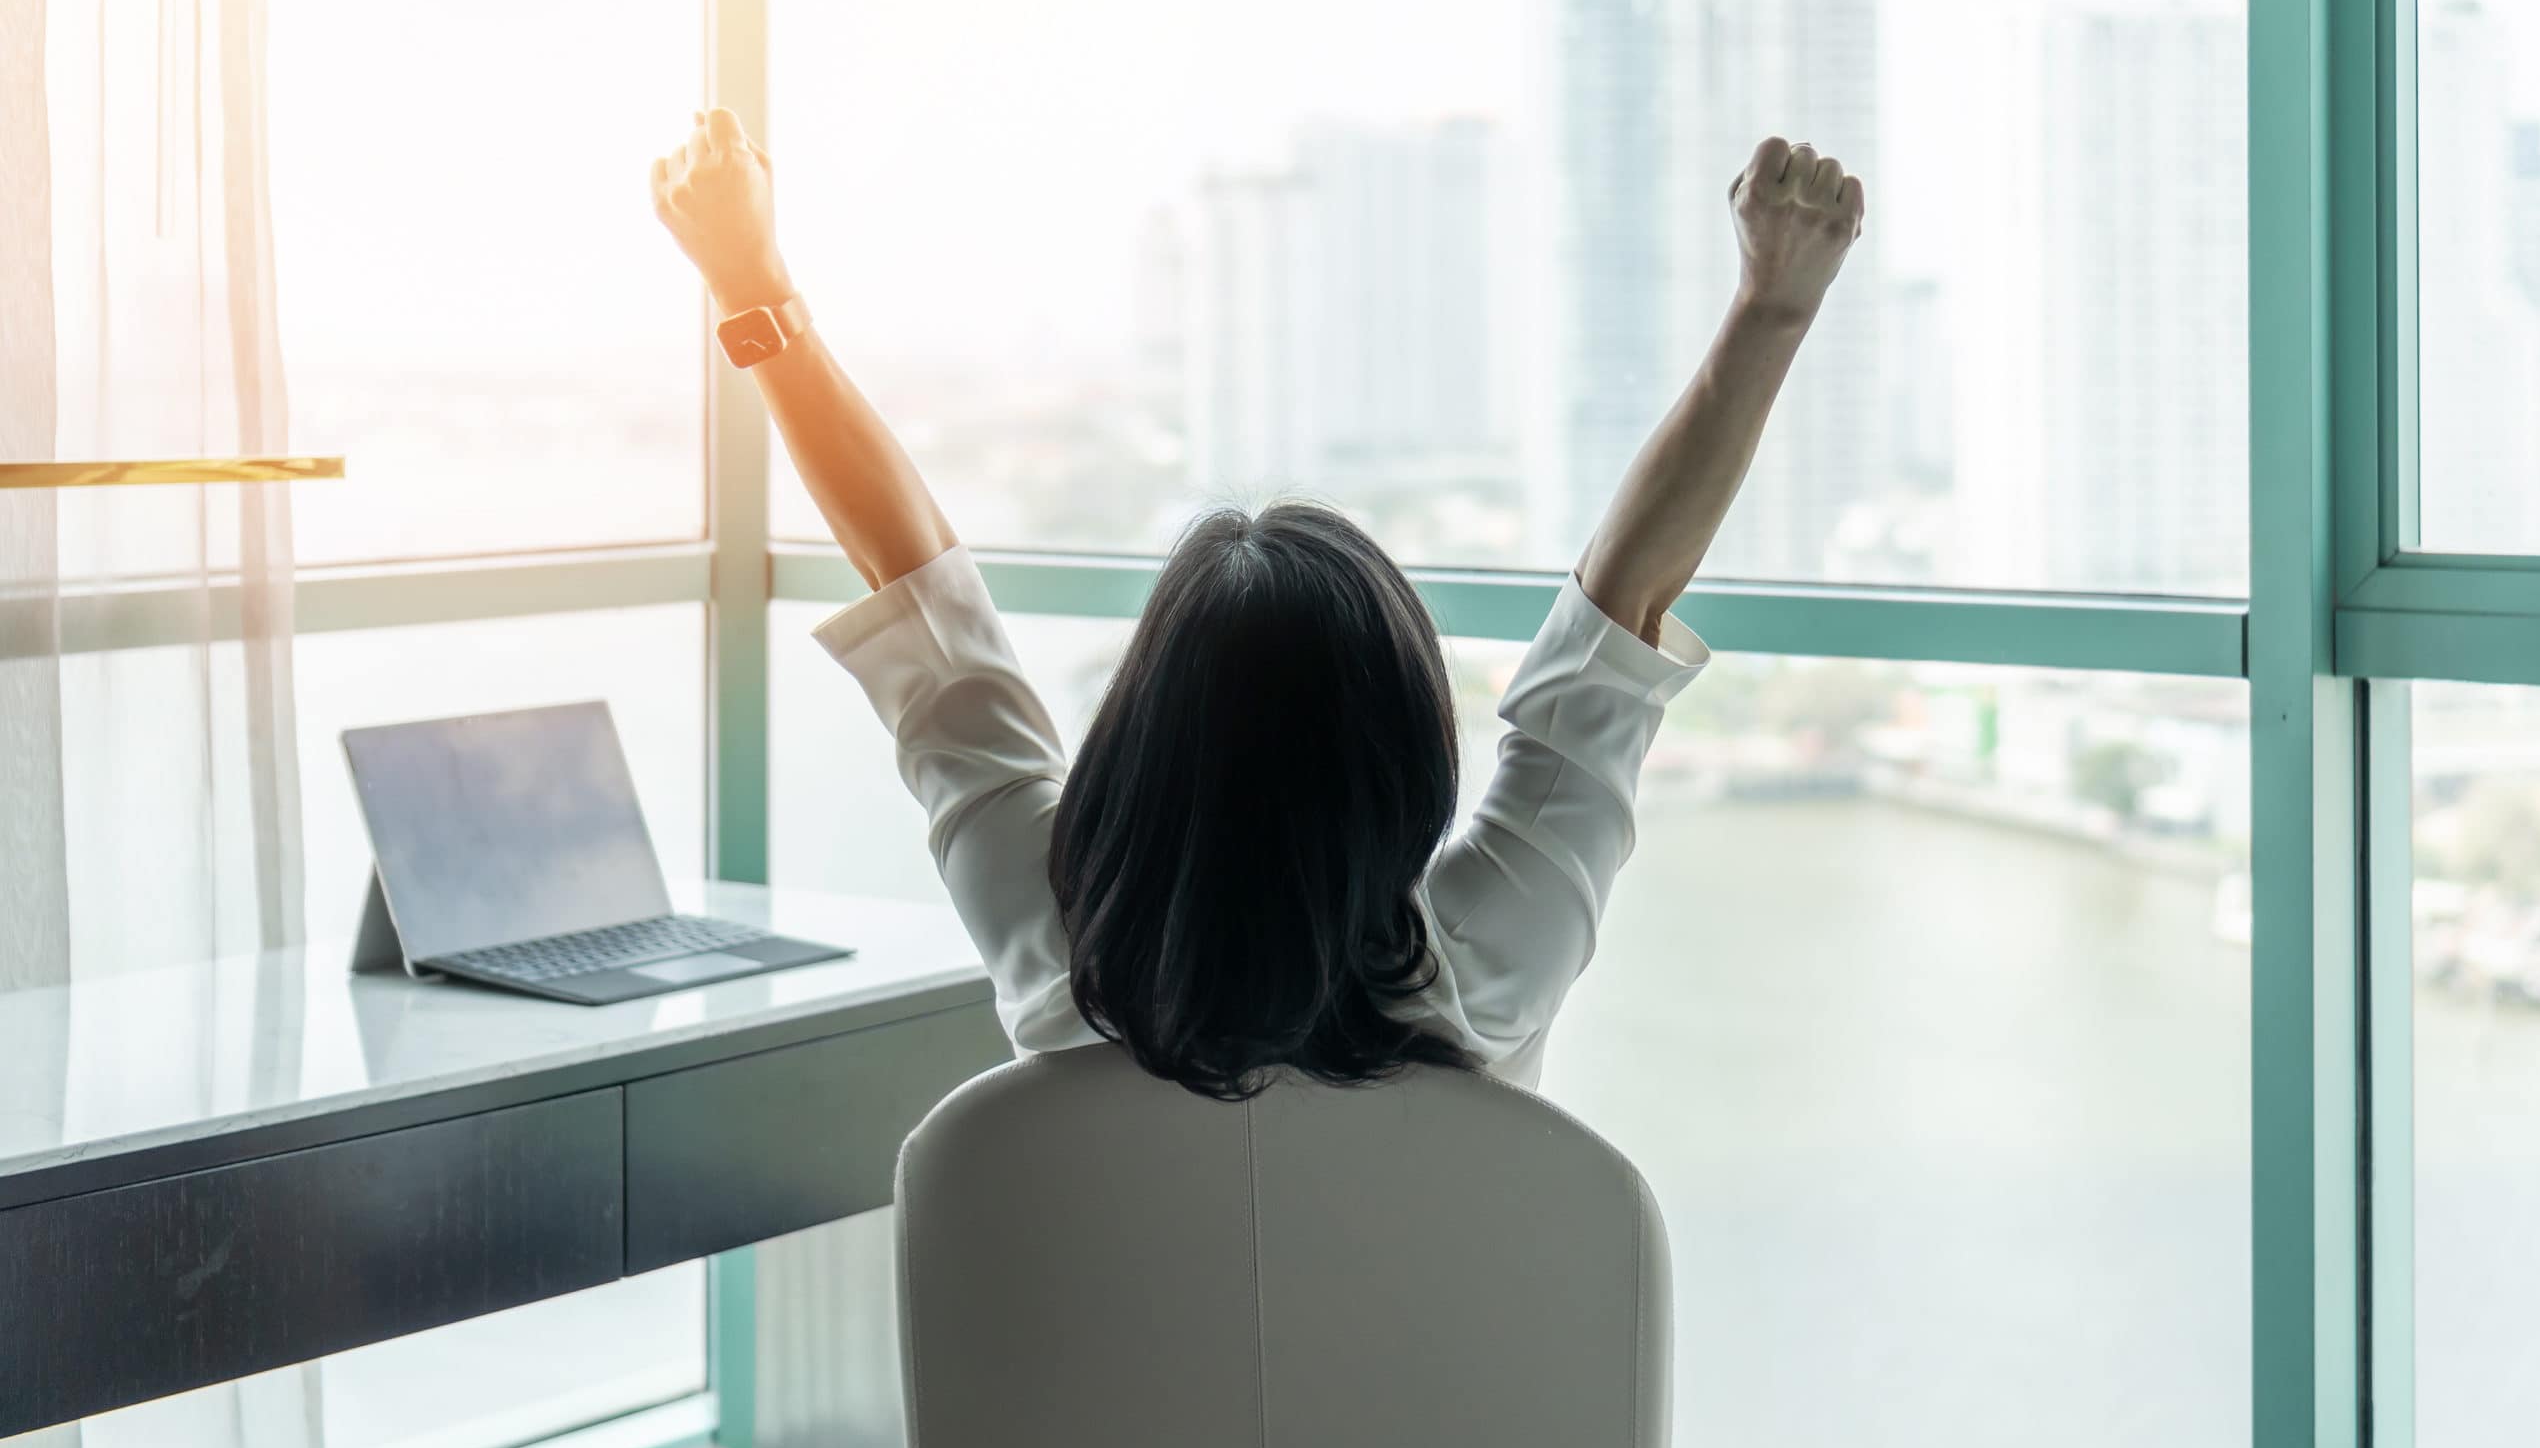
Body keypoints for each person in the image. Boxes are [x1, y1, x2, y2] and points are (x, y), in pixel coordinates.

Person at [651, 112, 1863, 1099]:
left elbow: (911, 582)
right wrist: (1772, 310)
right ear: (1400, 762)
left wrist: (749, 279)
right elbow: (1617, 617)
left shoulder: (1050, 929)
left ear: (1139, 733)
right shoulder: (1491, 963)